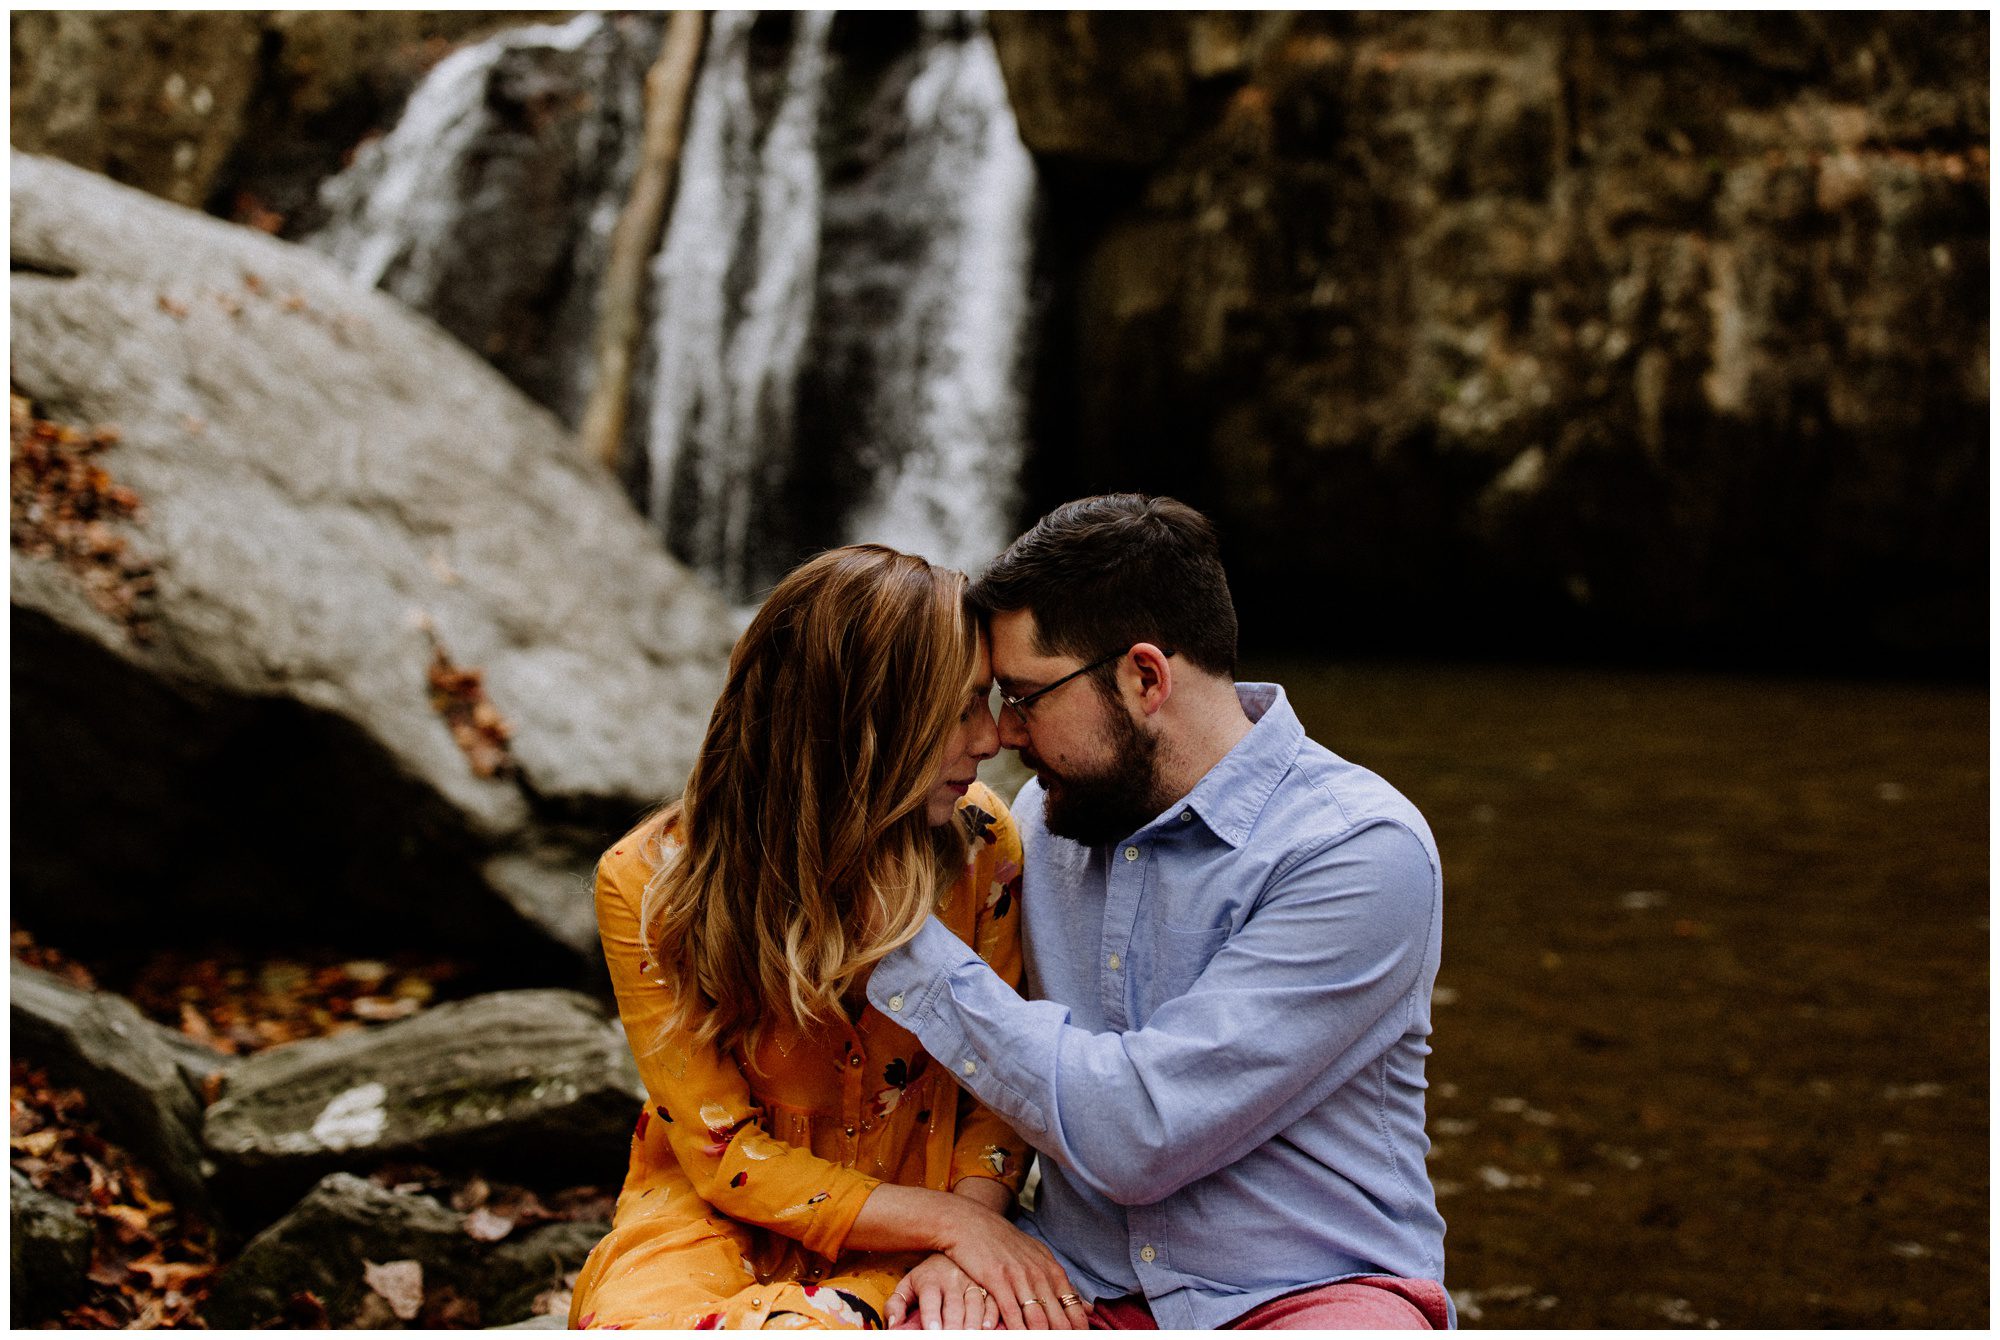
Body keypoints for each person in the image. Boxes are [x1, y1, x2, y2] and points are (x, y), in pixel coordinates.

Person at [867, 495, 1454, 1330]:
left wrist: (892, 936)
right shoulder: (1041, 819)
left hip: (1308, 1294)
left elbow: (1141, 1134)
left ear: (1145, 677)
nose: (1001, 735)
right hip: (1072, 1280)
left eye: (1025, 697)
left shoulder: (1358, 851)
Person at [569, 545, 1087, 1331]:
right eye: (960, 709)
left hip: (910, 1226)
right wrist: (956, 1227)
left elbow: (998, 1092)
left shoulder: (984, 842)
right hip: (717, 1220)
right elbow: (723, 1156)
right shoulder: (644, 883)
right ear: (861, 723)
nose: (992, 739)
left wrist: (965, 1234)